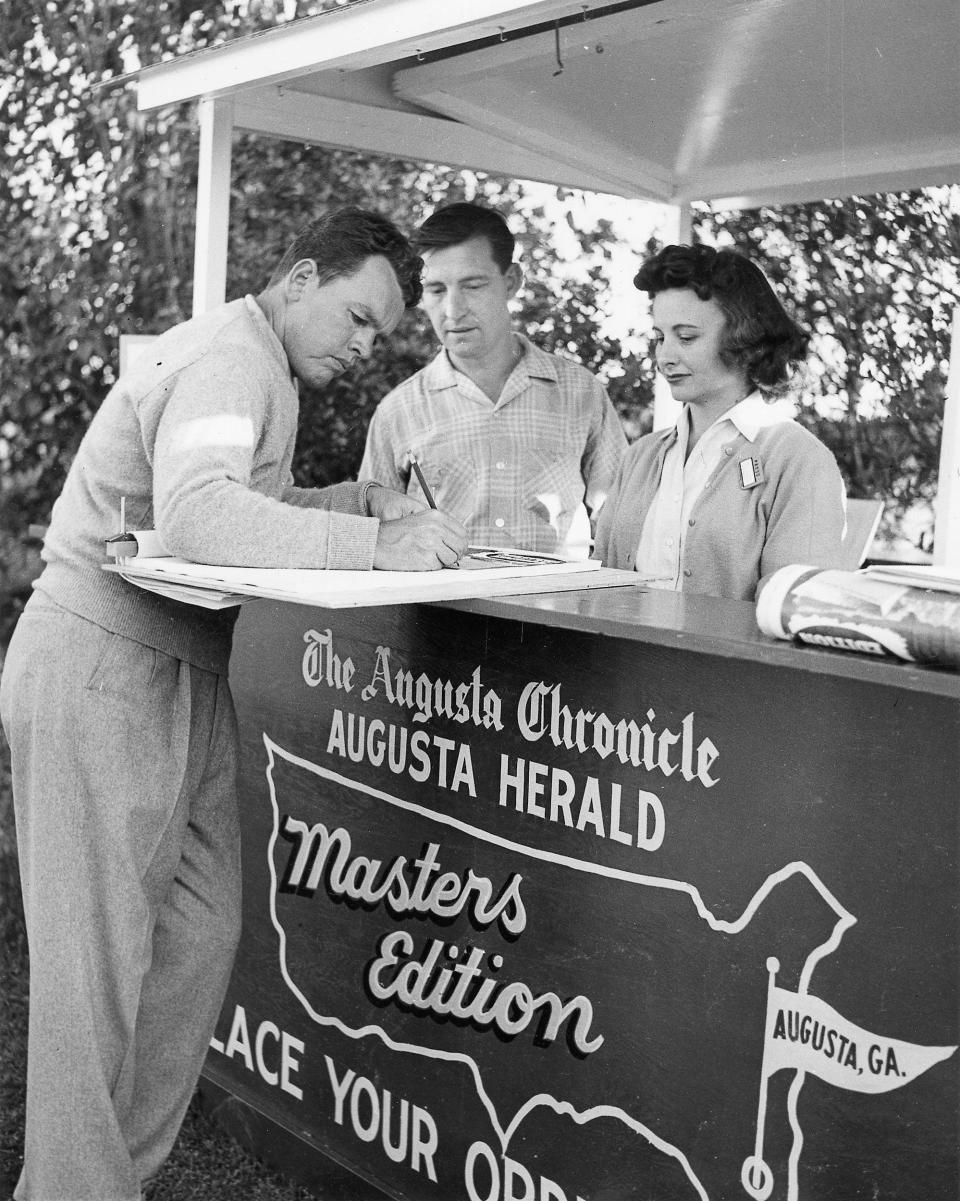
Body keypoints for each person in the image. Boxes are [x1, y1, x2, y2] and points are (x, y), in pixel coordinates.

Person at [0, 206, 467, 1201]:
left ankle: (98, 1182)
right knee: (96, 973)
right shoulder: (229, 357)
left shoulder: (264, 368)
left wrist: (356, 505)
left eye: (379, 334)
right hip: (103, 660)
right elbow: (204, 514)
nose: (363, 346)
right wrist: (376, 546)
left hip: (187, 667)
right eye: (357, 317)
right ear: (299, 277)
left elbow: (242, 509)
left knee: (197, 942)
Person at [358, 202, 627, 555]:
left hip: (555, 606)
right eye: (436, 290)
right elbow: (373, 532)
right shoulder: (398, 411)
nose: (453, 310)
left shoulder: (581, 392)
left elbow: (618, 517)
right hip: (438, 608)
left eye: (472, 286)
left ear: (511, 281)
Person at [593, 243, 847, 599]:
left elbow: (796, 610)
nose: (664, 356)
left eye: (686, 337)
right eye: (660, 337)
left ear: (744, 339)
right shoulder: (640, 458)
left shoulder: (800, 462)